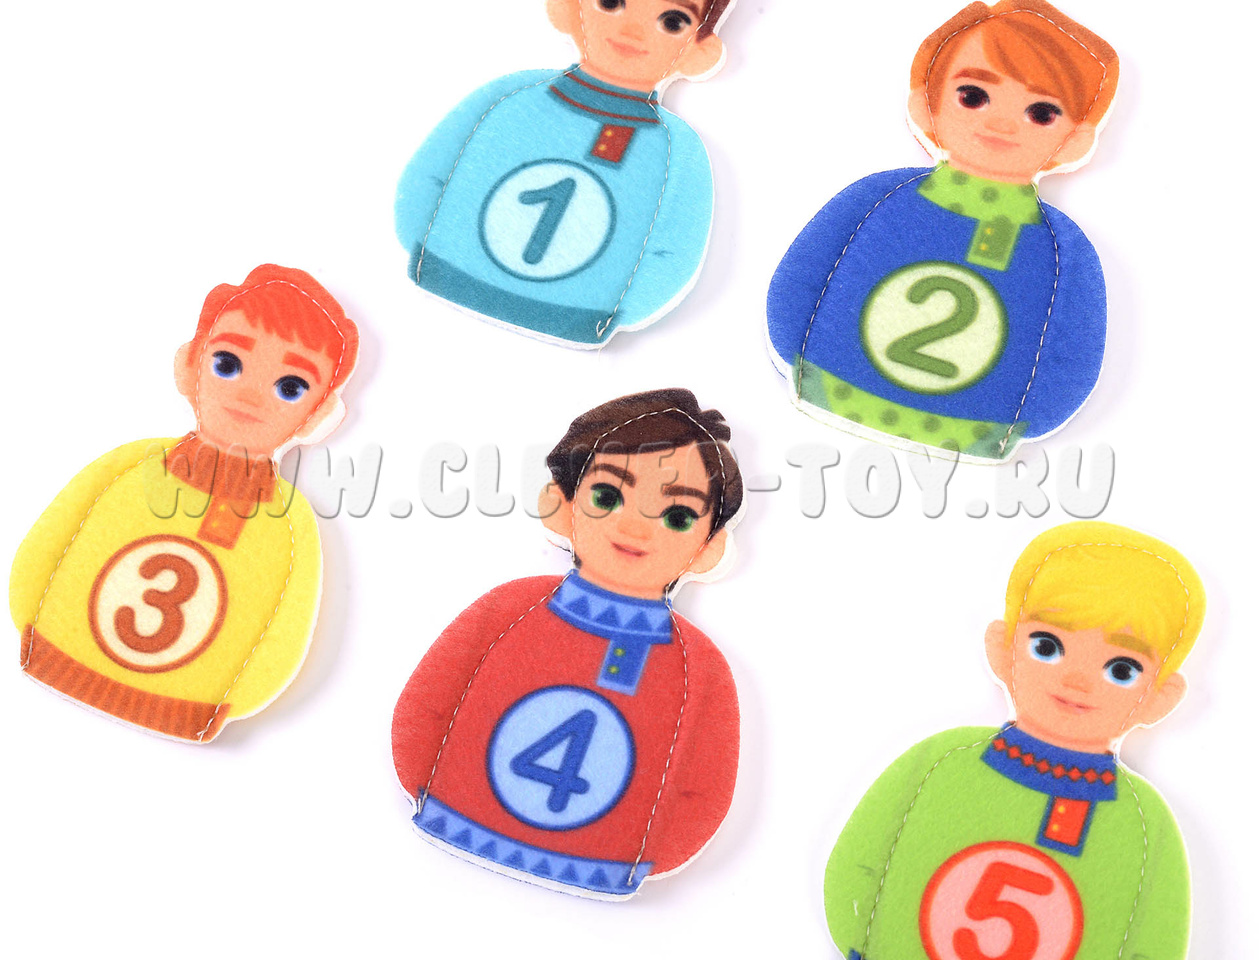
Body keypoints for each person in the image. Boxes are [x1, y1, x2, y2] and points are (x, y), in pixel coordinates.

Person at [392, 389, 743, 899]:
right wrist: (425, 776)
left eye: (677, 517)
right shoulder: (513, 609)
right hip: (458, 817)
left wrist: (644, 852)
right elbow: (431, 701)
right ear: (560, 505)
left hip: (600, 864)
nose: (635, 526)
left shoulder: (697, 667)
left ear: (709, 549)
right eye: (608, 497)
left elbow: (703, 783)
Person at [11, 265, 360, 742]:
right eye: (228, 363)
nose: (250, 395)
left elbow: (285, 621)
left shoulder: (285, 521)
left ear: (318, 415)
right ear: (190, 364)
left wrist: (233, 695)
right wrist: (31, 615)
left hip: (184, 706)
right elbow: (53, 541)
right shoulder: (134, 467)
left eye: (289, 387)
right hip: (58, 654)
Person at [823, 522, 1204, 959]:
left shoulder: (1139, 822)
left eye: (1121, 670)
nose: (1076, 680)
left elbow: (1152, 938)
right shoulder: (943, 763)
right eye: (1047, 646)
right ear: (1004, 649)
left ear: (1159, 698)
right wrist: (861, 937)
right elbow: (862, 865)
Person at [767, 1, 1117, 460]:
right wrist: (797, 344)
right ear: (926, 101)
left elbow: (1071, 344)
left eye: (1041, 113)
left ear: (1076, 140)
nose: (1001, 123)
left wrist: (1029, 414)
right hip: (839, 387)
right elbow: (809, 273)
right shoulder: (886, 196)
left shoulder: (1057, 248)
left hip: (968, 426)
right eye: (972, 96)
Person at [396, 0, 735, 347]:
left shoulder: (673, 149)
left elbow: (674, 247)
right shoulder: (513, 97)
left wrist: (623, 309)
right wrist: (420, 238)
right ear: (569, 8)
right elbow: (433, 171)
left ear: (700, 51)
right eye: (611, 3)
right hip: (448, 271)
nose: (632, 31)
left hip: (574, 314)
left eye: (673, 21)